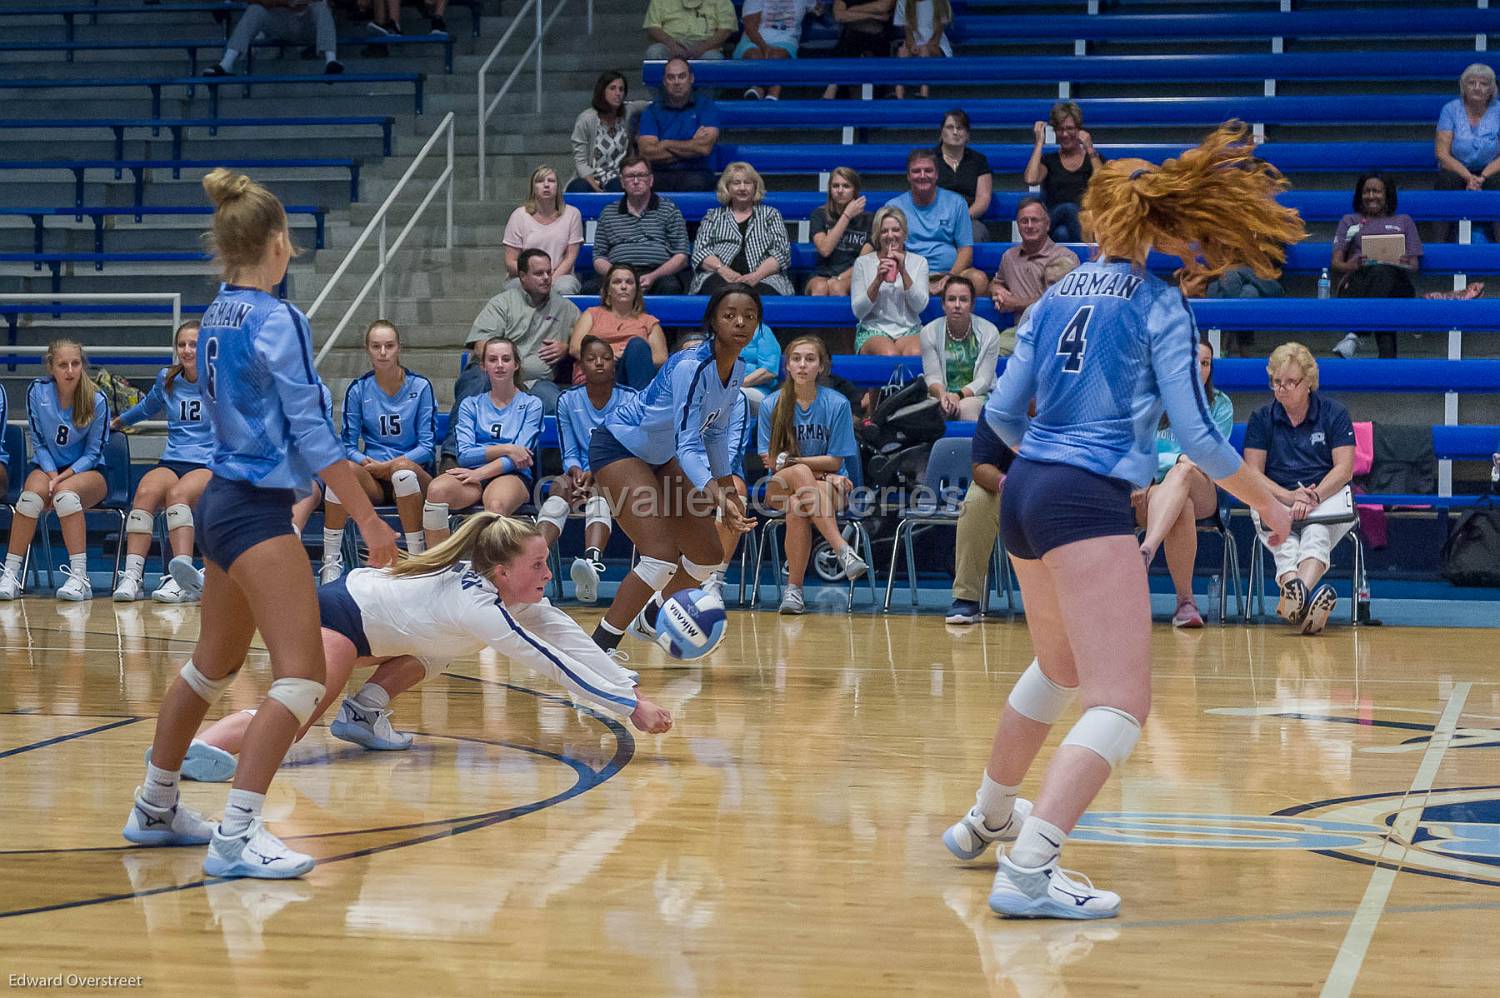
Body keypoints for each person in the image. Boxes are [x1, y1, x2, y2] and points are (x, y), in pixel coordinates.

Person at [944, 124, 1297, 920]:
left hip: (1025, 487)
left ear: (1101, 219)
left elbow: (998, 413)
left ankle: (991, 817)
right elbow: (1200, 436)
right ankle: (1030, 872)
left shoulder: (1055, 292)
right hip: (1083, 496)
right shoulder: (1160, 302)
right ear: (1160, 225)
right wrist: (1268, 500)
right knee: (1121, 702)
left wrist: (1009, 478)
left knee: (1058, 667)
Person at [123, 167, 398, 880]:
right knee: (303, 678)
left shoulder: (213, 314)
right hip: (254, 511)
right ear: (277, 243)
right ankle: (238, 837)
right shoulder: (280, 320)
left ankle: (155, 807)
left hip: (219, 505)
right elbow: (314, 433)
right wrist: (370, 521)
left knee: (211, 665)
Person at [172, 512, 674, 783]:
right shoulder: (477, 606)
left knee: (434, 650)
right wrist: (628, 708)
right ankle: (194, 750)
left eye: (546, 563)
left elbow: (568, 639)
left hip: (370, 626)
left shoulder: (503, 597)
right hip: (336, 617)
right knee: (294, 721)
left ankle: (365, 714)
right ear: (502, 572)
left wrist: (629, 688)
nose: (547, 575)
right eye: (537, 566)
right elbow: (552, 664)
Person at [588, 284, 758, 655]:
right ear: (713, 320)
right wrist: (714, 493)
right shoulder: (689, 366)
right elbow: (688, 444)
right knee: (659, 554)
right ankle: (599, 649)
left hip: (660, 457)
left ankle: (651, 618)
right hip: (619, 446)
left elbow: (715, 434)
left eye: (749, 316)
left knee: (708, 553)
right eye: (730, 315)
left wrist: (728, 493)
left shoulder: (738, 367)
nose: (740, 322)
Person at [1242, 342, 1356, 637]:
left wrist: (1313, 496)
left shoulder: (1334, 412)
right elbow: (1252, 473)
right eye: (1276, 382)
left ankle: (1295, 598)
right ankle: (1304, 605)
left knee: (1316, 533)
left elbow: (1344, 469)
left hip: (1324, 499)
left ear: (1309, 383)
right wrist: (1288, 496)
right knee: (1285, 542)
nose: (1282, 389)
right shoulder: (1261, 418)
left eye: (1290, 382)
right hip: (1275, 498)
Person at [319, 320, 437, 584]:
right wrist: (365, 462)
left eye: (389, 346)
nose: (383, 352)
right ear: (367, 350)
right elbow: (347, 445)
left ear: (399, 348)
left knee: (402, 473)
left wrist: (393, 464)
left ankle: (417, 559)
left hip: (411, 472)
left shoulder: (420, 387)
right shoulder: (359, 389)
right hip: (373, 474)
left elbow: (427, 447)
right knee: (340, 473)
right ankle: (331, 564)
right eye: (376, 346)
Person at [758, 336, 866, 615]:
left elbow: (836, 460)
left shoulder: (837, 404)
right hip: (782, 485)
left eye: (810, 359)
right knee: (800, 480)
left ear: (821, 367)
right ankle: (841, 547)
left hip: (830, 487)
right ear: (787, 367)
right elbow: (772, 462)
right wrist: (819, 472)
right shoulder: (772, 405)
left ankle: (793, 592)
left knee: (798, 505)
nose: (803, 365)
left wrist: (795, 462)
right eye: (796, 359)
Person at [1132, 337, 1234, 629]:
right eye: (1194, 362)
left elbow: (1212, 455)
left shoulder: (1220, 404)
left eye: (1206, 364)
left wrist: (1175, 462)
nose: (1200, 369)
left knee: (1185, 474)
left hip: (1202, 485)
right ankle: (1185, 603)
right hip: (1152, 491)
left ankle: (1147, 548)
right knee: (1181, 505)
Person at [110, 320, 214, 604]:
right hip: (174, 459)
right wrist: (119, 422)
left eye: (194, 344)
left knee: (177, 496)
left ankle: (181, 579)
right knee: (145, 493)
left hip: (208, 463)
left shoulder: (219, 380)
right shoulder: (167, 378)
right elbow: (148, 406)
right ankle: (133, 577)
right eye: (182, 345)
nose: (187, 350)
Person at [0, 339, 110, 602]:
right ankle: (11, 575)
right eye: (63, 365)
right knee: (28, 499)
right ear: (51, 367)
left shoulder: (96, 398)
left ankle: (80, 578)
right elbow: (37, 441)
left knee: (65, 496)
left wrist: (63, 477)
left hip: (88, 471)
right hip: (48, 467)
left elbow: (94, 453)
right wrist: (51, 474)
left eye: (76, 364)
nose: (70, 371)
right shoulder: (37, 392)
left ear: (83, 365)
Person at [424, 336, 543, 548]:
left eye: (506, 359)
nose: (499, 365)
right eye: (493, 359)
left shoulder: (532, 404)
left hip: (511, 476)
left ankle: (487, 574)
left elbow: (521, 458)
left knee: (496, 504)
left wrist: (480, 472)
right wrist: (507, 448)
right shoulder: (470, 404)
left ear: (516, 364)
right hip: (471, 473)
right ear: (483, 366)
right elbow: (466, 455)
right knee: (436, 490)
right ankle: (438, 568)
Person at [547, 336, 638, 604]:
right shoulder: (567, 400)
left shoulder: (630, 398)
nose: (599, 363)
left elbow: (629, 448)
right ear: (580, 367)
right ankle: (535, 558)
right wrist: (575, 470)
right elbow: (569, 449)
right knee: (558, 486)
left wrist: (596, 472)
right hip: (581, 473)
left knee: (601, 486)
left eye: (606, 358)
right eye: (591, 358)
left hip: (620, 471)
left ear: (614, 365)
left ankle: (593, 564)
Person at [466, 248, 579, 414]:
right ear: (523, 277)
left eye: (549, 272)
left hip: (538, 382)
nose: (547, 278)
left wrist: (567, 348)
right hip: (495, 375)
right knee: (478, 382)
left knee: (556, 405)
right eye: (539, 273)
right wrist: (506, 368)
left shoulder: (565, 308)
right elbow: (481, 346)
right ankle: (456, 440)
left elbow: (587, 342)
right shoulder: (502, 303)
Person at [1331, 172, 1421, 360]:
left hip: (1398, 285)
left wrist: (1403, 262)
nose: (1371, 196)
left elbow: (1414, 265)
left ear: (1387, 194)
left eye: (1377, 191)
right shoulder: (1350, 221)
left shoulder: (1404, 221)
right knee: (1383, 289)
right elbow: (1336, 263)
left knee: (1385, 274)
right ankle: (1388, 360)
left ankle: (1356, 335)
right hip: (1359, 283)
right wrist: (1351, 265)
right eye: (1366, 191)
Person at [944, 414, 1014, 625]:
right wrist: (1009, 484)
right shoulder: (998, 409)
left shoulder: (1067, 404)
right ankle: (966, 597)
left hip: (1055, 486)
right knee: (976, 500)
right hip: (1008, 485)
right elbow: (981, 468)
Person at [889, 148, 987, 296]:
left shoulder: (956, 203)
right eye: (916, 171)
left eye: (928, 170)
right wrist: (912, 278)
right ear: (908, 176)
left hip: (949, 273)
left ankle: (963, 320)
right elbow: (889, 250)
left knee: (978, 279)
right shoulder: (894, 207)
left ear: (936, 174)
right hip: (908, 274)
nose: (922, 176)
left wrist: (950, 277)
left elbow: (965, 250)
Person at [690, 161, 794, 296]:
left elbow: (781, 253)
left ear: (755, 186)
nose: (742, 188)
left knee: (758, 296)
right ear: (727, 187)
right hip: (719, 275)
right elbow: (700, 252)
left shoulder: (771, 215)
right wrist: (723, 270)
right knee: (719, 292)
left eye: (747, 183)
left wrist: (757, 275)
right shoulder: (713, 216)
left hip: (765, 277)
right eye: (736, 183)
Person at [591, 156, 692, 294]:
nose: (636, 181)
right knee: (589, 289)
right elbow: (599, 258)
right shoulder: (608, 212)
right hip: (618, 273)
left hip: (658, 274)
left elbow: (681, 256)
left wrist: (654, 276)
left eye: (641, 175)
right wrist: (620, 277)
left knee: (670, 287)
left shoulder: (669, 210)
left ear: (651, 180)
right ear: (622, 182)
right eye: (630, 176)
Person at [569, 264, 668, 390]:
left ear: (636, 290)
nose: (623, 286)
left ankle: (639, 406)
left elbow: (661, 358)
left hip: (631, 376)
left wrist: (629, 357)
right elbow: (575, 348)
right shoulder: (591, 314)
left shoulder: (649, 321)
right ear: (608, 290)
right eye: (617, 282)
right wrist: (608, 355)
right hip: (596, 371)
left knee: (637, 345)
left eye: (629, 282)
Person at [851, 204, 928, 356]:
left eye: (896, 230)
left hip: (909, 330)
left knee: (915, 352)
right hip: (873, 329)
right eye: (884, 231)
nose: (890, 235)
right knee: (889, 354)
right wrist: (878, 280)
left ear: (904, 233)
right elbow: (858, 311)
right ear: (878, 236)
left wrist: (903, 271)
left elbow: (920, 306)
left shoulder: (919, 262)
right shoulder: (863, 263)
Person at [920, 276, 1000, 421]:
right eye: (951, 299)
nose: (957, 305)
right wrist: (943, 396)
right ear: (943, 305)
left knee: (965, 408)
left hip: (978, 395)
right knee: (933, 411)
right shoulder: (929, 331)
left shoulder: (990, 332)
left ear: (972, 305)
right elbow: (932, 376)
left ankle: (972, 444)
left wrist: (958, 396)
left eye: (963, 299)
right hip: (942, 394)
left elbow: (984, 380)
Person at [1023, 101, 1104, 244]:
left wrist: (1090, 149)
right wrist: (1039, 143)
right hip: (1052, 219)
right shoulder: (1049, 160)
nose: (1065, 134)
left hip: (1083, 222)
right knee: (1068, 208)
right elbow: (1031, 179)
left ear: (1079, 130)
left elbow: (1102, 183)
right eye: (1060, 129)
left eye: (1070, 128)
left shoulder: (1093, 159)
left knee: (1063, 234)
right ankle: (1090, 257)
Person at [1435, 63, 1500, 241]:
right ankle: (1441, 244)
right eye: (1472, 83)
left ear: (1491, 89)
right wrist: (1468, 177)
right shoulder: (1450, 110)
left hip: (1492, 168)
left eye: (1484, 83)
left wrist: (1482, 177)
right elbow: (1442, 153)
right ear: (1463, 86)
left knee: (1498, 183)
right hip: (1456, 167)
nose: (1477, 88)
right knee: (1446, 181)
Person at [637, 58, 721, 193]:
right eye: (671, 77)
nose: (676, 82)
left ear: (691, 78)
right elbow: (647, 153)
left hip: (697, 174)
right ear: (664, 81)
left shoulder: (707, 107)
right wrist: (692, 146)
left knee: (696, 183)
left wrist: (665, 143)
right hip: (659, 175)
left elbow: (704, 147)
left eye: (682, 76)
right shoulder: (651, 111)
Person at [990, 197, 1080, 319]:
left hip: (1052, 329)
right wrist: (996, 289)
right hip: (1018, 330)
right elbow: (997, 282)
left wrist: (1016, 304)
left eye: (1035, 220)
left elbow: (1063, 301)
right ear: (1018, 225)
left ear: (1047, 224)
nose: (1029, 225)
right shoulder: (1009, 257)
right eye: (1024, 221)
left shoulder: (1066, 257)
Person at [203, 0, 343, 77]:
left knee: (322, 6)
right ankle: (226, 63)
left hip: (307, 23)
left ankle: (331, 60)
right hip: (280, 21)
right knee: (255, 10)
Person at [504, 165, 584, 296]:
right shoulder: (519, 216)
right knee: (515, 288)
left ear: (558, 187)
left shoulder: (572, 214)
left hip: (560, 275)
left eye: (551, 181)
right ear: (533, 188)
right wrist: (533, 278)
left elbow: (570, 257)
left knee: (566, 287)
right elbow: (510, 261)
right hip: (527, 276)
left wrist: (549, 279)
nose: (546, 185)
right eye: (540, 181)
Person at [570, 71, 645, 194]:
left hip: (617, 176)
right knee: (578, 188)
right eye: (612, 88)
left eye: (621, 90)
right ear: (602, 91)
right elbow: (581, 162)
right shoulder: (586, 119)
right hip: (591, 177)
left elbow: (648, 105)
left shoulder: (628, 112)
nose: (618, 93)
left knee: (618, 186)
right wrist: (596, 188)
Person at [734, 0, 819, 101]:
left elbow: (818, 7)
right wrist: (764, 48)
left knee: (777, 57)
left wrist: (820, 7)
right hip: (754, 39)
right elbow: (750, 27)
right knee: (755, 55)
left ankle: (771, 92)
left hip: (786, 40)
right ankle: (760, 89)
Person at [807, 166, 871, 296]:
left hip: (853, 275)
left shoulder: (869, 220)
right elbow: (825, 250)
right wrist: (846, 216)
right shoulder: (819, 215)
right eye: (835, 186)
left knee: (837, 287)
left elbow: (863, 262)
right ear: (830, 190)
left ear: (855, 190)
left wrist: (840, 278)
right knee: (820, 288)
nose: (840, 190)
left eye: (846, 186)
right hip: (821, 274)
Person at [934, 109, 993, 242]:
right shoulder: (929, 159)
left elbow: (983, 199)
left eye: (960, 128)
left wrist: (962, 219)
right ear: (941, 132)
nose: (955, 132)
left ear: (967, 134)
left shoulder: (979, 160)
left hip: (968, 219)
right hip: (933, 217)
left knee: (976, 234)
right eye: (950, 127)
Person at [820, 0, 895, 100]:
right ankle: (836, 93)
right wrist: (874, 16)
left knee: (861, 41)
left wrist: (853, 10)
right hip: (851, 38)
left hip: (878, 38)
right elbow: (840, 16)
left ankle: (832, 88)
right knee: (848, 43)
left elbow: (882, 7)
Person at [893, 0, 951, 100]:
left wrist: (926, 46)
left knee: (925, 51)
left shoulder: (940, 2)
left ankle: (924, 93)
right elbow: (907, 31)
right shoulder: (903, 1)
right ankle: (899, 95)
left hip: (936, 45)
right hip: (915, 43)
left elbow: (937, 36)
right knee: (902, 52)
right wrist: (912, 45)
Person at [643, 0, 735, 62]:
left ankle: (705, 92)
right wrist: (673, 46)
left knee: (714, 58)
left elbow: (726, 29)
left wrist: (702, 48)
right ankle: (664, 92)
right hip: (670, 44)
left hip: (707, 46)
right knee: (654, 52)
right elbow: (653, 28)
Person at [738, 318, 783, 415]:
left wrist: (735, 385)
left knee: (734, 396)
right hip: (723, 389)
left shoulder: (762, 331)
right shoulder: (719, 333)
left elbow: (768, 371)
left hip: (755, 389)